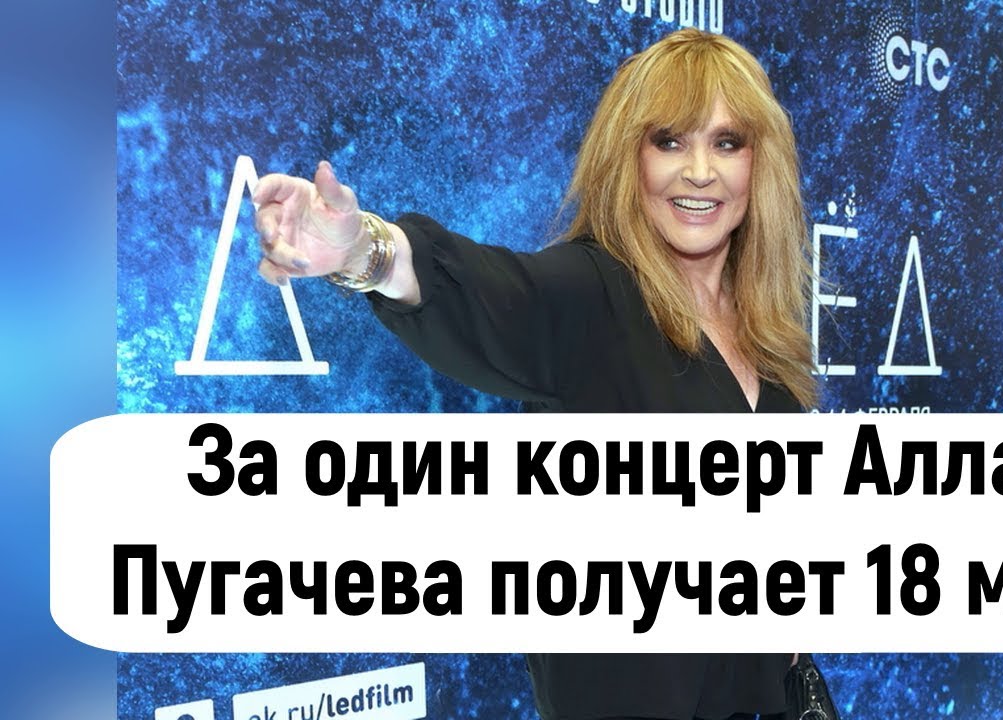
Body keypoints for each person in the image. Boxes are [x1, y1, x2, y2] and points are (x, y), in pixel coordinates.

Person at [254, 27, 815, 720]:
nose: (699, 171)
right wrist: (363, 252)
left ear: (761, 163)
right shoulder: (590, 294)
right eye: (668, 141)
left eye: (728, 143)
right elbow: (487, 290)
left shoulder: (767, 328)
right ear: (628, 158)